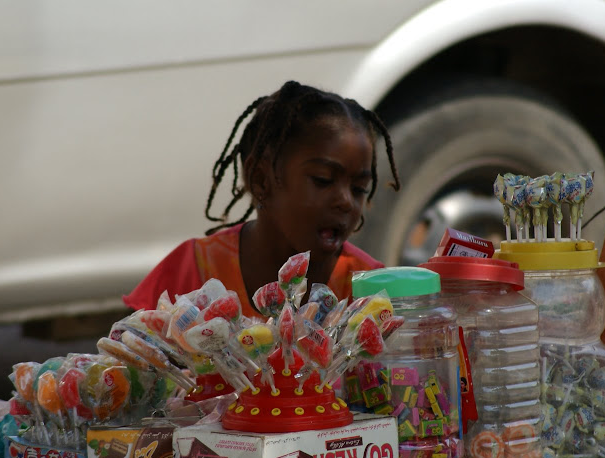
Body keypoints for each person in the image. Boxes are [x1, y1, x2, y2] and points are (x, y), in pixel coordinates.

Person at [123, 80, 400, 319]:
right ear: (260, 180)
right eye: (323, 180)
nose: (345, 202)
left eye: (359, 189)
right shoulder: (193, 270)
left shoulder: (369, 289)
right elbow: (131, 363)